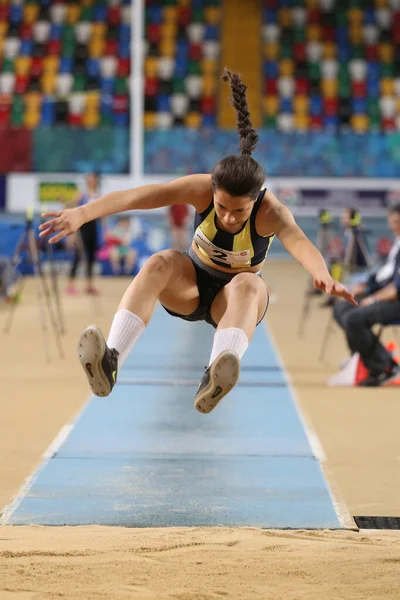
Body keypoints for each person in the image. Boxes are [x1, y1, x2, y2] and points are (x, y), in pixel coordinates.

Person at [39, 68, 355, 414]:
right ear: (213, 191)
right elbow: (139, 196)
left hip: (233, 303)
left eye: (240, 211)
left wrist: (321, 272)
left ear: (256, 200)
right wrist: (83, 213)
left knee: (249, 283)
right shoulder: (201, 188)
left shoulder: (271, 211)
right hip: (189, 288)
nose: (230, 217)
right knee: (160, 261)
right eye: (222, 207)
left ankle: (214, 375)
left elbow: (300, 242)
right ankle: (110, 361)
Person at [332, 204, 400, 387]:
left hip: (396, 302)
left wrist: (373, 298)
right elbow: (383, 276)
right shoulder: (397, 244)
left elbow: (395, 288)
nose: (391, 225)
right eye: (391, 221)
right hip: (388, 296)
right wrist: (358, 288)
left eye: (395, 222)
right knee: (341, 308)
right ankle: (365, 356)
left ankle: (383, 368)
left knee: (354, 318)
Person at [66, 172, 101, 296]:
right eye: (90, 179)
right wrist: (73, 233)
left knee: (91, 256)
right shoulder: (82, 194)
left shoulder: (98, 195)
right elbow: (72, 208)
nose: (92, 181)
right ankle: (70, 285)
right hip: (82, 227)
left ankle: (89, 285)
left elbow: (103, 213)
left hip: (94, 227)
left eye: (93, 179)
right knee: (78, 255)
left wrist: (106, 229)